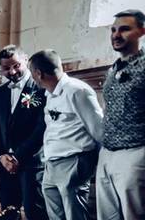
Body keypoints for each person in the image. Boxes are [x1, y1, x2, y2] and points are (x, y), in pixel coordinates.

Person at [27, 49, 102, 220]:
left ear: (38, 74)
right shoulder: (49, 93)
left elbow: (98, 130)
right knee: (55, 217)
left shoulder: (77, 91)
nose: (31, 77)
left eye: (31, 73)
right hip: (51, 164)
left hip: (73, 162)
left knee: (74, 216)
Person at [0, 45, 48, 220]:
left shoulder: (40, 88)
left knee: (34, 213)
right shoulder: (0, 92)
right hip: (6, 165)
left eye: (16, 65)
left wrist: (17, 156)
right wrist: (1, 157)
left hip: (31, 163)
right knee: (9, 214)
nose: (12, 71)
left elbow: (41, 128)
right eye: (6, 68)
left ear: (26, 61)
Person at [96, 9, 145, 220]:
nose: (116, 35)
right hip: (107, 152)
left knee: (134, 214)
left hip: (135, 152)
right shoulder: (112, 69)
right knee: (107, 215)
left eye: (124, 29)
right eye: (113, 30)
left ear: (142, 32)